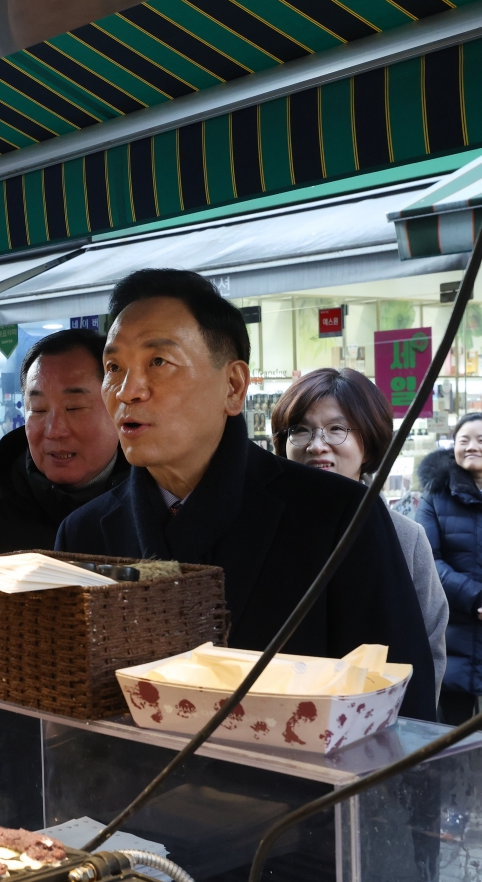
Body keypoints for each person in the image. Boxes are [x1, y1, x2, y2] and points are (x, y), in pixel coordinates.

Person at [57, 269, 435, 720]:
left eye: (158, 362)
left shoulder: (337, 517)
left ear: (233, 387)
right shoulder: (83, 534)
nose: (127, 391)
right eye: (114, 367)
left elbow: (399, 707)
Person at [272, 368, 447, 710]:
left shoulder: (405, 537)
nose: (317, 444)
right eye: (301, 430)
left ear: (368, 442)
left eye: (336, 429)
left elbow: (428, 648)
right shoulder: (265, 530)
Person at [0, 328, 130, 553]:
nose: (54, 431)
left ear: (118, 406)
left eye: (74, 407)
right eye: (38, 409)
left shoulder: (160, 508)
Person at [416, 415, 482, 725]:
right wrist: (475, 597)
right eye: (464, 440)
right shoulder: (434, 498)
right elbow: (428, 559)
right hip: (454, 631)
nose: (472, 447)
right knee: (453, 738)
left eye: (481, 440)